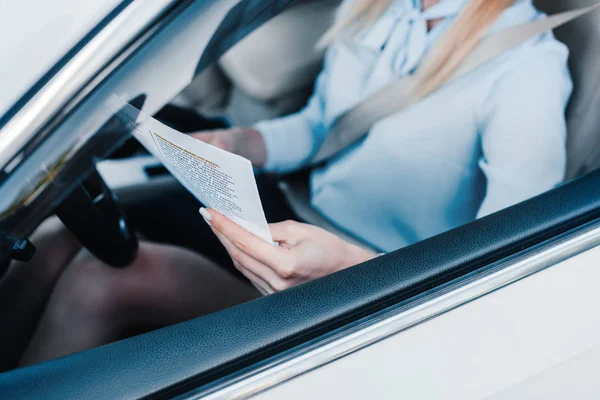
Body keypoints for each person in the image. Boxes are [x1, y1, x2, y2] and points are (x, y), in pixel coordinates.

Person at [6, 0, 572, 366]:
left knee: (99, 282)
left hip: (371, 280)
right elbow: (322, 125)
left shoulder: (528, 69)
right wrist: (242, 144)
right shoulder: (378, 7)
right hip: (285, 207)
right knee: (63, 237)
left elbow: (504, 268)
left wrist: (348, 269)